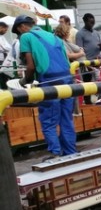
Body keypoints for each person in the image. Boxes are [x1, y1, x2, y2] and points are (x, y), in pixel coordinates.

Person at [14, 14, 77, 157]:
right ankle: (71, 153)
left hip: (49, 81)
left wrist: (24, 82)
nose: (19, 35)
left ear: (22, 27)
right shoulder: (54, 36)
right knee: (66, 118)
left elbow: (30, 66)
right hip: (68, 79)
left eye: (18, 32)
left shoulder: (26, 36)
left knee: (48, 120)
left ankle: (55, 154)